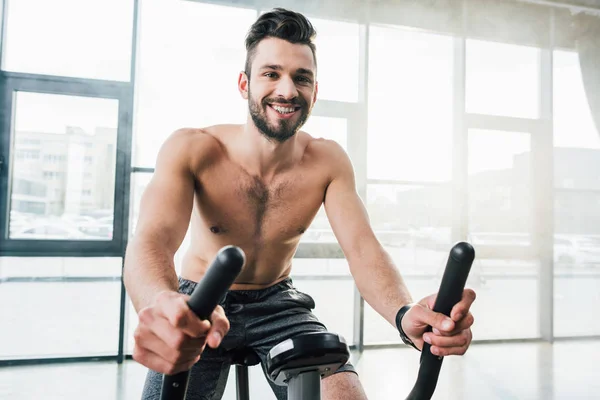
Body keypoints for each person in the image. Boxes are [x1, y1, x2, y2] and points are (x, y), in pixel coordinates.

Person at [124, 7, 476, 400]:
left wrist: (404, 313)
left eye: (301, 78)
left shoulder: (327, 161)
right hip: (201, 300)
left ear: (314, 91)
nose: (287, 91)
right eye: (271, 74)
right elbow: (151, 239)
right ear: (244, 84)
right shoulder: (192, 148)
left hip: (278, 302)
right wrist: (163, 304)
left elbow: (362, 248)